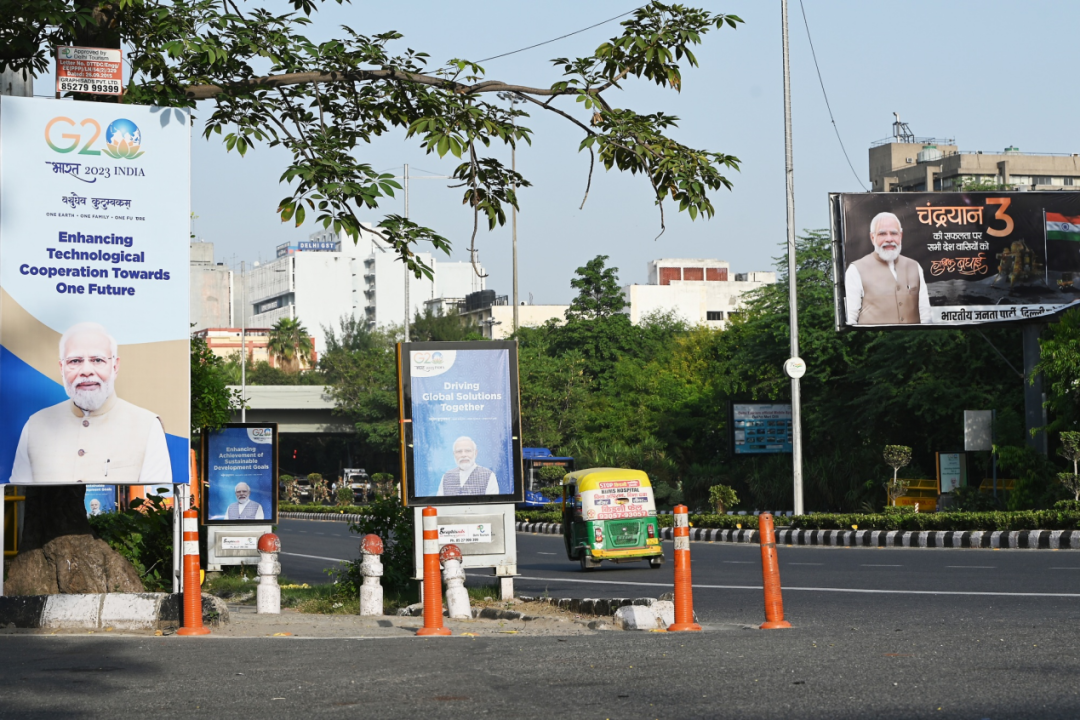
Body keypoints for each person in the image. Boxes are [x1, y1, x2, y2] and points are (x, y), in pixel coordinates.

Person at [8, 322, 172, 485]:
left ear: (114, 366)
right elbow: (20, 501)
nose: (86, 371)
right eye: (75, 361)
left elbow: (157, 503)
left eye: (97, 360)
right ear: (61, 368)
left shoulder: (147, 426)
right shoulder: (35, 425)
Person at [845, 211, 930, 325]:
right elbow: (851, 318)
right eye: (882, 234)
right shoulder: (856, 269)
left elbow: (925, 313)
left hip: (913, 340)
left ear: (901, 236)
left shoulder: (914, 266)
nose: (889, 239)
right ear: (872, 237)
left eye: (894, 233)